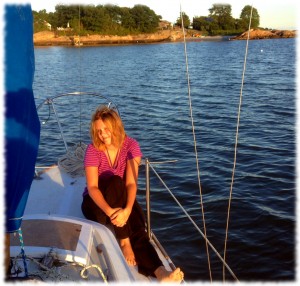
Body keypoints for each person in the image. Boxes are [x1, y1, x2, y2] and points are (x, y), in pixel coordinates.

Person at [81, 105, 184, 282]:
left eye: (106, 129)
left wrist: (127, 210)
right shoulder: (93, 150)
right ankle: (124, 242)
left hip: (119, 203)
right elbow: (92, 188)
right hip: (96, 207)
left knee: (138, 223)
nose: (102, 134)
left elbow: (130, 183)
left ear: (115, 126)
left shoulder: (131, 146)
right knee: (114, 182)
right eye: (98, 131)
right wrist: (113, 214)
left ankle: (160, 273)